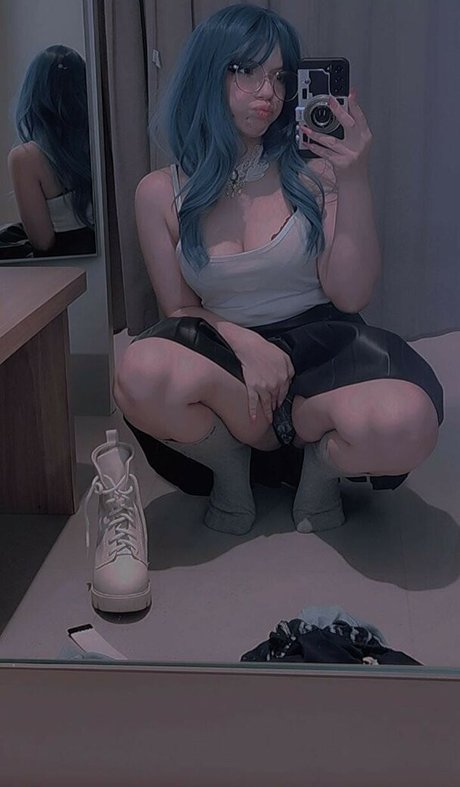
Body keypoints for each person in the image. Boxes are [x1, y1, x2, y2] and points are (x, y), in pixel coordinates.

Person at [114, 4, 443, 536]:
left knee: (410, 422)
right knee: (139, 371)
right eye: (247, 71)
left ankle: (318, 462)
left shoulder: (315, 174)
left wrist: (354, 177)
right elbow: (178, 310)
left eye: (280, 76)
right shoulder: (159, 192)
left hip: (323, 353)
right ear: (209, 72)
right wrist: (247, 344)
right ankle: (230, 465)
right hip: (223, 357)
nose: (268, 92)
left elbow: (351, 294)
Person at [7, 44, 95, 257]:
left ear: (33, 92)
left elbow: (42, 241)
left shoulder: (25, 158)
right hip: (109, 259)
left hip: (65, 268)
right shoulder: (101, 142)